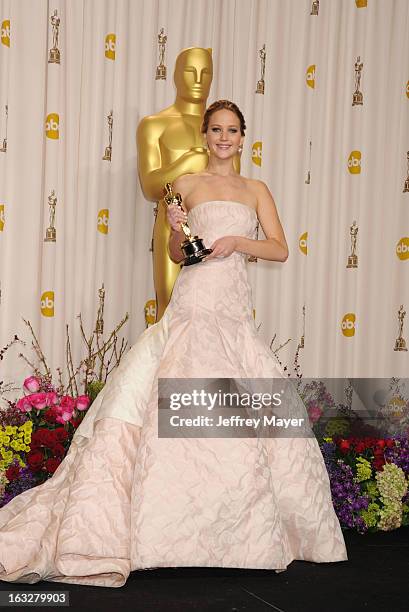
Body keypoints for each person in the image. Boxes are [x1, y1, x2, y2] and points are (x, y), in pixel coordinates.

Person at [0, 100, 347, 588]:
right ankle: (162, 536)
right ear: (205, 136)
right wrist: (179, 228)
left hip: (232, 311)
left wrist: (236, 243)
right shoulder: (184, 186)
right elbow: (177, 253)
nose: (224, 137)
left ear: (243, 138)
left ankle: (242, 536)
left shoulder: (256, 189)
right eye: (216, 130)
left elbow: (280, 248)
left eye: (232, 130)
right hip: (192, 304)